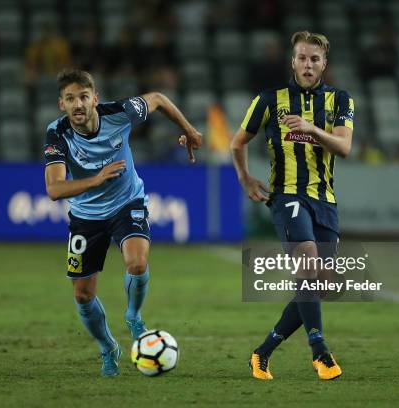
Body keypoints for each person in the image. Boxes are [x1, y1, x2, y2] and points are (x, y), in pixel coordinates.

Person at [43, 69, 202, 376]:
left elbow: (156, 98)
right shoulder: (57, 133)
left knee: (137, 263)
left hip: (127, 202)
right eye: (70, 98)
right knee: (82, 295)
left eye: (83, 97)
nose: (78, 104)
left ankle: (134, 316)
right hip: (85, 217)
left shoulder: (119, 113)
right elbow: (54, 189)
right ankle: (108, 348)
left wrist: (190, 130)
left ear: (95, 99)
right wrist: (96, 180)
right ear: (61, 104)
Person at [231, 31, 354, 381]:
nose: (308, 64)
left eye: (314, 59)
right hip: (287, 197)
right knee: (308, 262)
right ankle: (321, 352)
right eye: (302, 57)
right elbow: (237, 143)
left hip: (325, 202)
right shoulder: (269, 100)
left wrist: (312, 130)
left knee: (318, 284)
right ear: (293, 61)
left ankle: (262, 352)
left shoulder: (341, 100)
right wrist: (245, 178)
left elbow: (343, 147)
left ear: (324, 64)